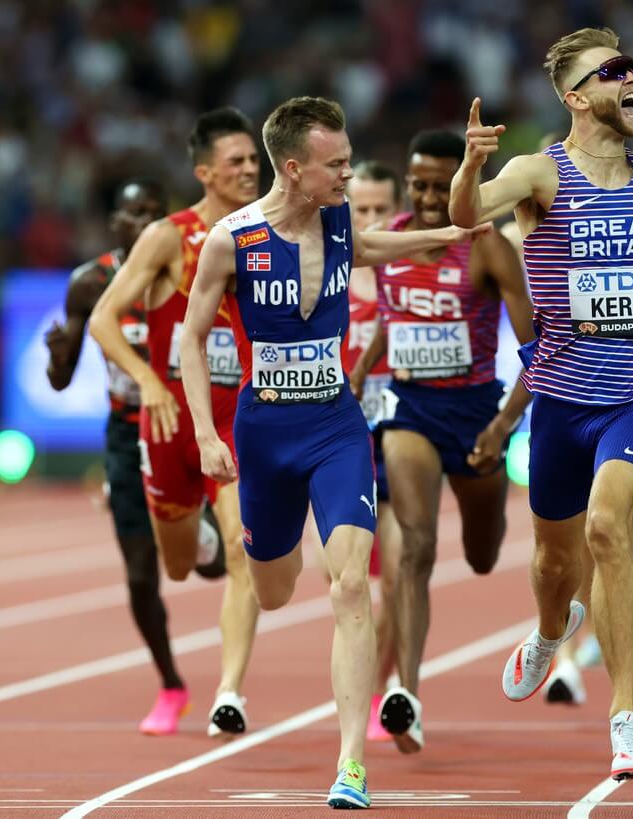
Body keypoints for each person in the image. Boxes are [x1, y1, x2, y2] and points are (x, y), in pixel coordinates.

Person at [180, 95, 491, 810]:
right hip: (265, 434)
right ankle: (242, 549)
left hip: (336, 428)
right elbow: (191, 341)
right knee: (273, 587)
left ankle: (351, 763)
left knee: (350, 585)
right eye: (338, 165)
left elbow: (397, 243)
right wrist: (205, 435)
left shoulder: (342, 223)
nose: (351, 175)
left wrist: (465, 194)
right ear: (293, 168)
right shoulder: (233, 239)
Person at [449, 27, 633, 780]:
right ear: (577, 96)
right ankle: (551, 630)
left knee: (610, 528)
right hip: (559, 397)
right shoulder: (536, 173)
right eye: (611, 72)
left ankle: (626, 717)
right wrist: (471, 162)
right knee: (555, 559)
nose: (630, 78)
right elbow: (463, 213)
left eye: (631, 67)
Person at [348, 129, 534, 755]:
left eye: (440, 185)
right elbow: (388, 322)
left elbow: (540, 351)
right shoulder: (395, 238)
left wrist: (503, 424)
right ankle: (408, 695)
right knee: (414, 549)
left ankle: (485, 527)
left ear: (465, 184)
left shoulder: (489, 249)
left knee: (481, 553)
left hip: (477, 412)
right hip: (410, 409)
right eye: (419, 184)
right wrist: (356, 377)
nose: (428, 198)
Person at [89, 108, 262, 738]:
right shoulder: (169, 236)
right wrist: (150, 382)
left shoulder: (268, 231)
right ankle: (200, 535)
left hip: (236, 418)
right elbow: (104, 320)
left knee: (245, 554)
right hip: (167, 428)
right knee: (180, 567)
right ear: (204, 171)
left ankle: (229, 693)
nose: (249, 169)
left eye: (254, 159)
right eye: (236, 161)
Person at [46, 178, 205, 735]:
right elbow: (61, 380)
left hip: (188, 423)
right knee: (141, 574)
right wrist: (56, 358)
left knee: (208, 563)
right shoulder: (89, 282)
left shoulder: (191, 269)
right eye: (131, 212)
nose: (142, 223)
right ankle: (170, 685)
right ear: (114, 222)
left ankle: (201, 534)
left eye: (153, 213)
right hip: (125, 431)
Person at [342, 159, 404, 743]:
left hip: (402, 437)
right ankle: (367, 679)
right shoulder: (327, 271)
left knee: (400, 571)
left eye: (381, 209)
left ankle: (389, 685)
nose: (370, 219)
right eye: (359, 209)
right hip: (343, 444)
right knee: (349, 580)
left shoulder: (408, 271)